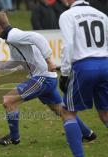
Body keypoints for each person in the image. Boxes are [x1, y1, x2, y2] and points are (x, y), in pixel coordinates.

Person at [0, 12, 96, 146]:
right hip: (47, 78)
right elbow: (16, 60)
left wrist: (49, 61)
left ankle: (14, 137)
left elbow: (37, 37)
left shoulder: (13, 35)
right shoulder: (11, 38)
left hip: (43, 78)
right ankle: (88, 134)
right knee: (61, 110)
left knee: (8, 101)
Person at [59, 0, 108, 156]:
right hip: (105, 64)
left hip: (84, 66)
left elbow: (68, 45)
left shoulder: (67, 15)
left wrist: (65, 73)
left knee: (68, 113)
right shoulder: (102, 15)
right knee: (105, 113)